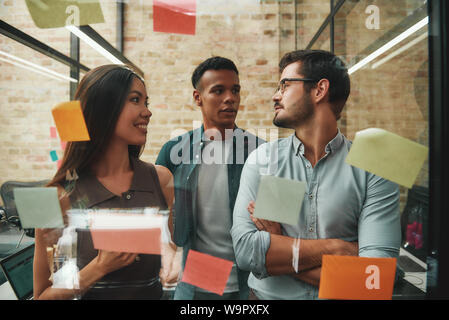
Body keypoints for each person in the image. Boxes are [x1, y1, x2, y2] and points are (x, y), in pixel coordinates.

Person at [231, 50, 401, 299]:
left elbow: (375, 275)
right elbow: (247, 253)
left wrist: (282, 251)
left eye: (285, 85)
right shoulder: (267, 162)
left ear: (319, 90)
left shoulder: (373, 169)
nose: (275, 95)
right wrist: (338, 248)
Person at [33, 64, 174, 300]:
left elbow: (170, 260)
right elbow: (42, 296)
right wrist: (99, 267)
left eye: (146, 103)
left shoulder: (160, 180)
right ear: (103, 109)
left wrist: (173, 260)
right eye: (135, 100)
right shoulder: (57, 198)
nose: (147, 112)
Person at [156, 56, 264, 300]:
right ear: (198, 97)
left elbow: (281, 227)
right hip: (194, 286)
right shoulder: (174, 151)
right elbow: (156, 216)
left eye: (235, 90)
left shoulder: (263, 152)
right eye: (218, 90)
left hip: (250, 288)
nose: (230, 98)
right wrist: (168, 253)